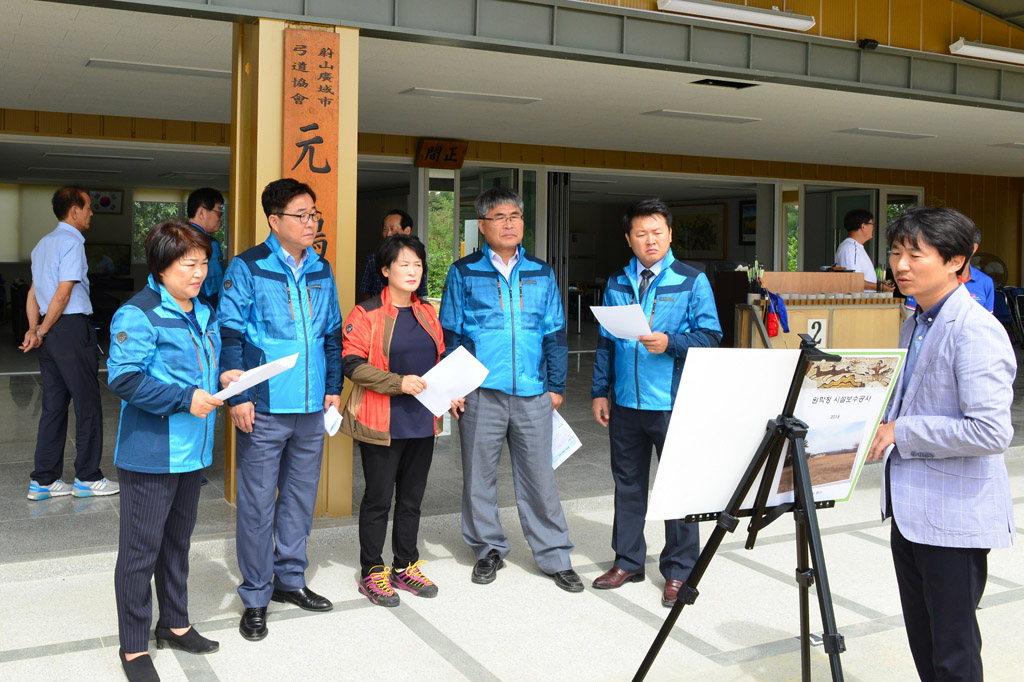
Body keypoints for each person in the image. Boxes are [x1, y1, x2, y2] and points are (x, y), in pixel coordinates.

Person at [867, 206, 1016, 682]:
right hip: (912, 512)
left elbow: (991, 431)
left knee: (952, 649)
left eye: (916, 254)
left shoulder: (976, 331)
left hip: (954, 517)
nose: (901, 265)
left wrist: (900, 433)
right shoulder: (915, 321)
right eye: (894, 252)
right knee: (924, 640)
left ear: (955, 261)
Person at [108, 221, 243, 682]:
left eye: (204, 262)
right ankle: (132, 647)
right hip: (151, 452)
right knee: (140, 550)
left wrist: (223, 377)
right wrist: (185, 397)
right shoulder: (138, 313)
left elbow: (206, 363)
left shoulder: (202, 311)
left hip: (192, 452)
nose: (200, 272)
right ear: (162, 266)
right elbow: (123, 379)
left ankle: (175, 622)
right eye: (190, 264)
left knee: (176, 543)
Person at [219, 178, 343, 641]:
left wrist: (334, 387)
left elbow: (331, 332)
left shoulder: (321, 268)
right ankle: (255, 593)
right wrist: (239, 396)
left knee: (298, 499)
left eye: (314, 215)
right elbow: (229, 334)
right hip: (264, 405)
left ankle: (290, 580)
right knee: (256, 505)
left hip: (312, 406)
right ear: (275, 220)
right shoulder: (247, 267)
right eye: (302, 215)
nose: (311, 223)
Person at [439, 187, 582, 593]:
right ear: (482, 225)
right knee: (478, 477)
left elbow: (554, 333)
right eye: (500, 216)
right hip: (481, 392)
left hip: (533, 393)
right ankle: (487, 549)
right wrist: (456, 387)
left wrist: (555, 386)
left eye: (516, 215)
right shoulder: (463, 272)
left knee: (540, 477)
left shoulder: (541, 271)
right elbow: (451, 334)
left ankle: (555, 555)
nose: (509, 223)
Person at [590, 198, 722, 607]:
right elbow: (606, 343)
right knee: (628, 485)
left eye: (658, 232)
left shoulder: (690, 279)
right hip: (626, 403)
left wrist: (671, 343)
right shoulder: (616, 282)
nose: (651, 240)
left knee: (678, 489)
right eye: (642, 233)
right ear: (629, 238)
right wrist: (599, 391)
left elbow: (711, 336)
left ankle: (680, 572)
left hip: (672, 402)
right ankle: (627, 560)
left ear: (669, 235)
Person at [341, 234, 460, 606]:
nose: (412, 271)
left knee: (412, 499)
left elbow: (439, 360)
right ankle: (372, 571)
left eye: (417, 265)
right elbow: (351, 364)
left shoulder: (427, 311)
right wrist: (398, 383)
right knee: (378, 499)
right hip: (381, 420)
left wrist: (451, 391)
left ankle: (405, 565)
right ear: (385, 270)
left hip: (422, 420)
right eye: (404, 264)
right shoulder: (366, 313)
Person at [21, 186, 118, 500]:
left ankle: (44, 480)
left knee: (54, 406)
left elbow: (34, 294)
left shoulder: (42, 244)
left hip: (52, 333)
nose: (91, 213)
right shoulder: (72, 242)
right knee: (88, 404)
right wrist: (44, 330)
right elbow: (63, 294)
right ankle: (88, 478)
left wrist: (34, 328)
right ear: (74, 210)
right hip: (70, 329)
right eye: (88, 207)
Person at [903, 224, 994, 313]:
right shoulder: (925, 279)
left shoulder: (985, 282)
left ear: (974, 248)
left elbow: (988, 322)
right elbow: (911, 319)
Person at [359, 209, 427, 301]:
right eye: (385, 229)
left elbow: (420, 293)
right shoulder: (372, 259)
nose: (388, 234)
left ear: (407, 231)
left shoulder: (418, 258)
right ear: (385, 270)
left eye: (393, 229)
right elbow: (366, 292)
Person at [185, 187, 226, 308]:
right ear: (201, 212)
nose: (221, 218)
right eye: (218, 212)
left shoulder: (175, 238)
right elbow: (214, 287)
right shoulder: (207, 243)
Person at [835, 209, 881, 292]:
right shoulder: (850, 248)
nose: (873, 228)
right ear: (863, 226)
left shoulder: (856, 247)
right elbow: (854, 280)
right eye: (872, 224)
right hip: (859, 302)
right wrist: (879, 287)